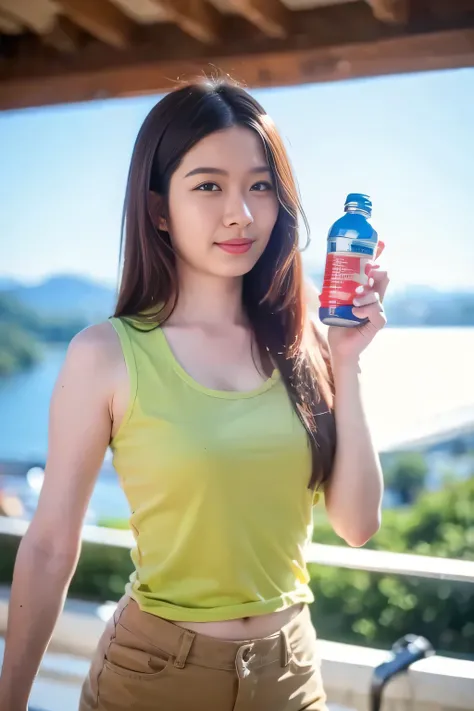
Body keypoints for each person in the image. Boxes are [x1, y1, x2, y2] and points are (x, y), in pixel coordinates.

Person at [0, 77, 389, 711]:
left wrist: (346, 361)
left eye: (259, 185)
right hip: (155, 676)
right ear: (158, 209)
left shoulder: (306, 342)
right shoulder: (105, 354)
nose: (240, 212)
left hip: (291, 677)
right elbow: (48, 545)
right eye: (209, 185)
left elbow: (357, 523)